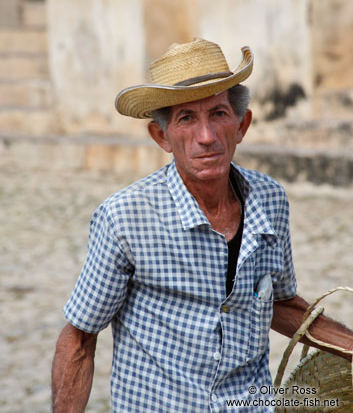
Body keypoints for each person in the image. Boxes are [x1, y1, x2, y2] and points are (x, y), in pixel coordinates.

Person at [52, 38, 353, 413]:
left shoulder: (270, 200)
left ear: (241, 125)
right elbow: (79, 339)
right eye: (186, 119)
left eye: (219, 114)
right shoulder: (125, 217)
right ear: (161, 136)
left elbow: (280, 303)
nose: (206, 137)